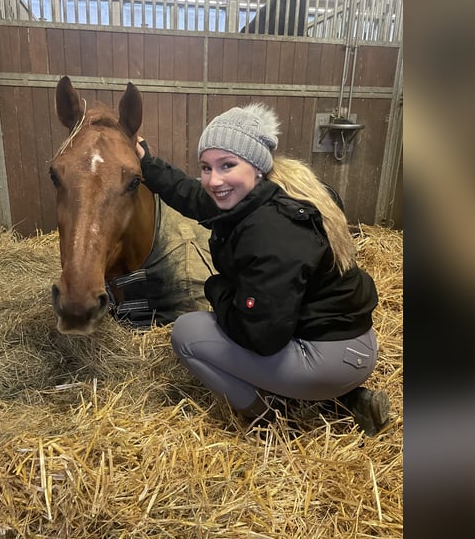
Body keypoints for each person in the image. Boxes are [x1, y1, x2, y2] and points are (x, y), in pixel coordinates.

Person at [135, 104, 391, 436]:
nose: (214, 180)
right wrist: (148, 165)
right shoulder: (276, 190)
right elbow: (196, 197)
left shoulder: (270, 230)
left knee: (187, 333)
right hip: (349, 344)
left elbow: (260, 337)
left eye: (227, 165)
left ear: (256, 167)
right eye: (206, 167)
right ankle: (344, 400)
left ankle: (270, 417)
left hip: (329, 357)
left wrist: (218, 289)